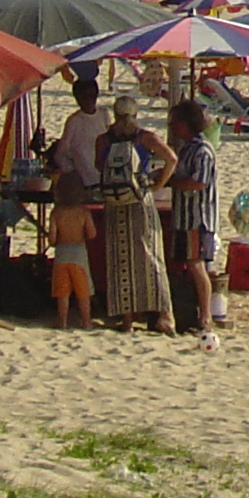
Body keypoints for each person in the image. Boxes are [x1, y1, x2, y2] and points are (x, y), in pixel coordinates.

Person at [95, 96, 177, 335]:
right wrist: (157, 183)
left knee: (121, 259)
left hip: (114, 202)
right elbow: (171, 159)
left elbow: (98, 166)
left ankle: (128, 320)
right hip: (140, 198)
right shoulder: (145, 137)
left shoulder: (103, 140)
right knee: (151, 256)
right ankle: (164, 314)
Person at [166, 100, 220, 340]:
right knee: (190, 265)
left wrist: (170, 182)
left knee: (197, 265)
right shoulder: (187, 148)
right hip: (185, 217)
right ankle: (193, 313)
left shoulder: (202, 150)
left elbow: (198, 183)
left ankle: (205, 317)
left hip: (198, 218)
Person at [47, 172, 98, 332]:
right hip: (78, 253)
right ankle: (86, 321)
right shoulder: (83, 212)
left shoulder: (56, 212)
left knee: (62, 292)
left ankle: (62, 322)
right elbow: (92, 234)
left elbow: (52, 239)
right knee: (83, 292)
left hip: (62, 253)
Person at [54, 76, 108, 187]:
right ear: (77, 98)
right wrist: (72, 172)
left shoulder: (104, 114)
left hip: (104, 177)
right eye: (84, 96)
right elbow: (61, 153)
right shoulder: (74, 121)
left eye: (92, 96)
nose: (89, 100)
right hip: (84, 180)